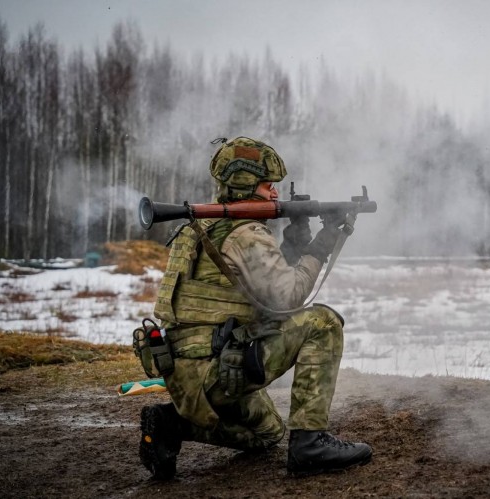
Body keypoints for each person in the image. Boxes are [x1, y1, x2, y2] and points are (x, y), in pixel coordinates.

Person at [138, 137, 372, 480]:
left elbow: (263, 295)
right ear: (246, 183)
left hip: (187, 373)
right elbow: (288, 298)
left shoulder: (198, 227)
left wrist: (294, 243)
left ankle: (170, 424)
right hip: (216, 371)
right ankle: (309, 444)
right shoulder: (246, 234)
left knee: (267, 434)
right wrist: (322, 245)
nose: (275, 193)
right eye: (268, 186)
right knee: (322, 322)